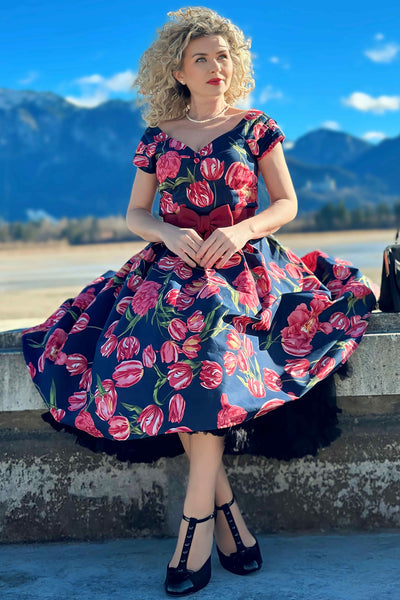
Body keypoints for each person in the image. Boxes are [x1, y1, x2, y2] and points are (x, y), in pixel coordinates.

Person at [21, 6, 376, 597]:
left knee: (208, 350)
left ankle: (195, 525)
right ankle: (229, 517)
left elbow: (286, 203)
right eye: (202, 58)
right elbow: (135, 212)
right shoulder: (157, 136)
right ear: (179, 71)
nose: (218, 66)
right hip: (169, 268)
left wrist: (241, 231)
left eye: (225, 56)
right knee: (169, 348)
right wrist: (165, 231)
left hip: (245, 269)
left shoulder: (256, 125)